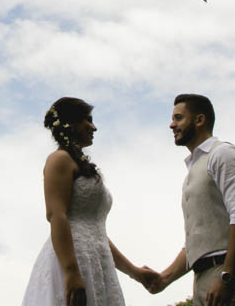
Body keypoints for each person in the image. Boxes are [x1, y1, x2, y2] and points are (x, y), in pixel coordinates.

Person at [20, 97, 157, 306]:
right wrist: (71, 272)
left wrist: (135, 272)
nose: (94, 127)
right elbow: (56, 215)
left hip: (98, 263)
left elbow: (97, 233)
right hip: (72, 260)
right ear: (71, 123)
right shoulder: (59, 159)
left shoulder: (81, 165)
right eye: (88, 120)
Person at [148, 94, 235, 306]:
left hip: (230, 277)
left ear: (199, 120)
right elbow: (199, 241)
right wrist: (163, 279)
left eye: (178, 118)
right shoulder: (194, 168)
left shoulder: (223, 154)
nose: (171, 125)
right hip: (204, 279)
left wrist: (227, 276)